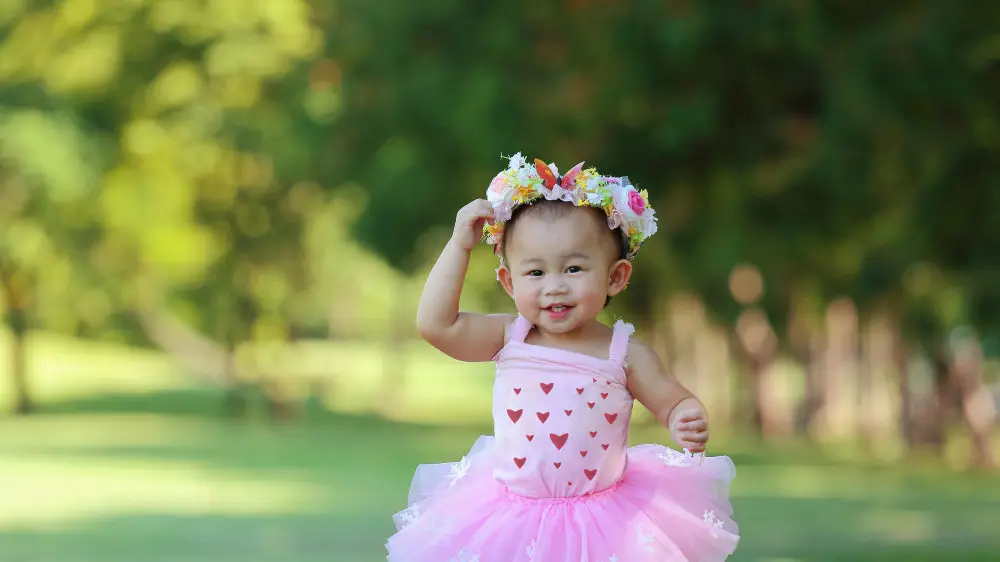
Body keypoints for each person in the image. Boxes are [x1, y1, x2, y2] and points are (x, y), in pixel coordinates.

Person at [385, 153, 739, 561]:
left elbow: (672, 401)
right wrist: (459, 245)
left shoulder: (625, 354)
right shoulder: (510, 337)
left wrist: (685, 416)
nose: (554, 286)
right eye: (535, 273)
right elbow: (436, 325)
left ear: (615, 276)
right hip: (511, 521)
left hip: (602, 525)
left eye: (573, 269)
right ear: (509, 282)